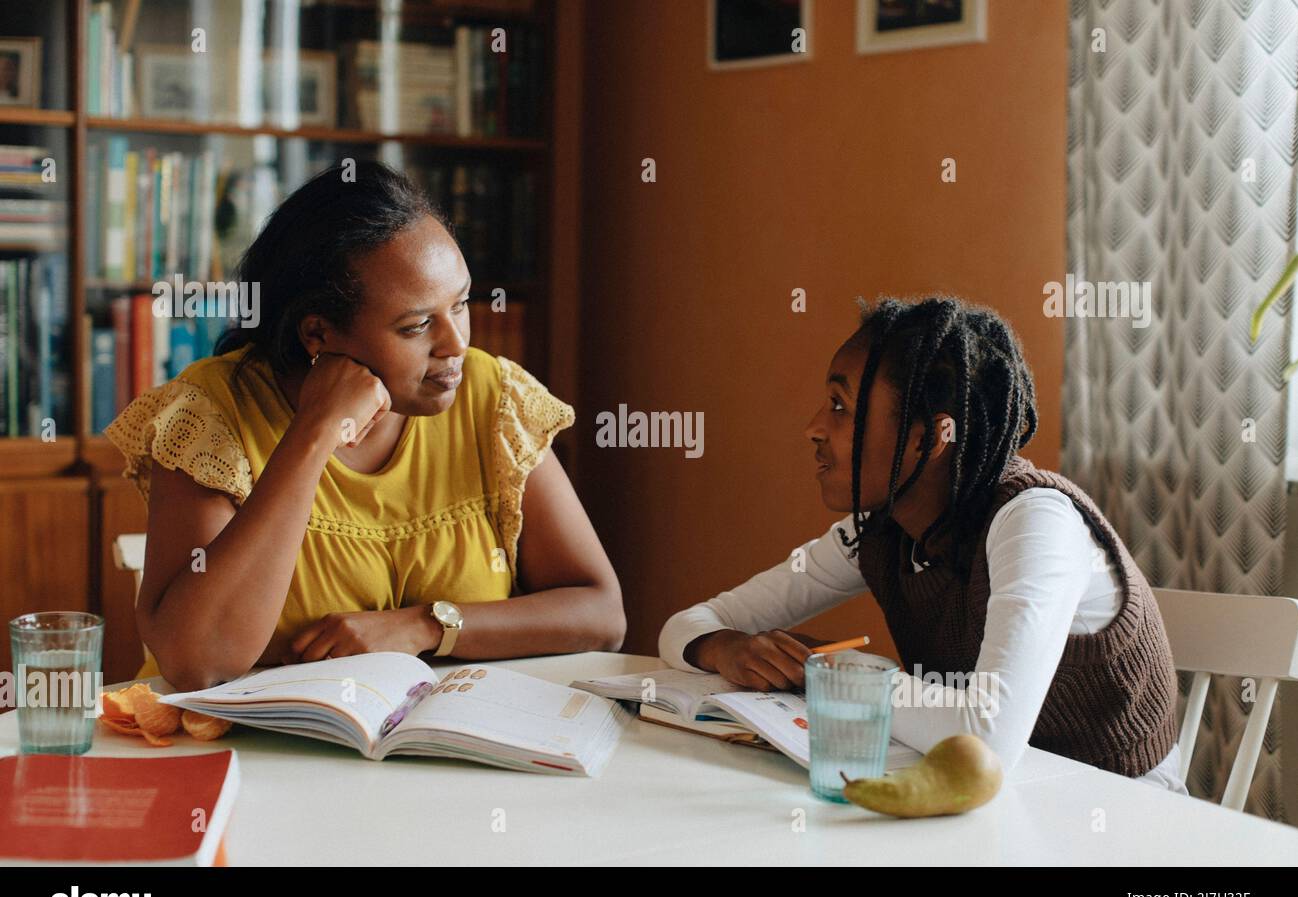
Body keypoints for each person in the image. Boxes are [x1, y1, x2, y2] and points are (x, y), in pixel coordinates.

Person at [106, 162, 624, 692]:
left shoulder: (492, 400)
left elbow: (600, 614)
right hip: (244, 759)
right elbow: (199, 662)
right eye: (417, 325)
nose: (456, 344)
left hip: (435, 753)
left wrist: (425, 625)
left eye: (461, 304)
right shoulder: (212, 416)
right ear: (318, 334)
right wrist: (313, 432)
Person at [659, 296, 1187, 793]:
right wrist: (724, 647)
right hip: (990, 800)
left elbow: (987, 739)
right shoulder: (882, 530)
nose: (814, 429)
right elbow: (689, 622)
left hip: (1119, 813)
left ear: (931, 438)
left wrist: (832, 676)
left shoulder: (1034, 522)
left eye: (841, 407)